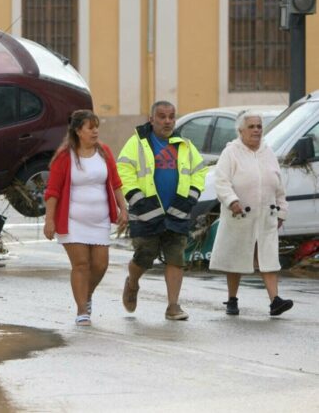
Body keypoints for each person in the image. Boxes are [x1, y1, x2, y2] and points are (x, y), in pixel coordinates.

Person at [117, 101, 208, 320]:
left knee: (176, 257)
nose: (167, 121)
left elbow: (199, 170)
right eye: (162, 116)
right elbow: (124, 170)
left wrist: (192, 196)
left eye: (171, 117)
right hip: (145, 212)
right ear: (152, 119)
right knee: (144, 256)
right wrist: (137, 199)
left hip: (177, 211)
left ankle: (173, 306)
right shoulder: (136, 143)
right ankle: (132, 282)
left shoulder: (184, 145)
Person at [44, 110, 128, 326]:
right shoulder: (64, 157)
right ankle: (82, 309)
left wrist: (123, 209)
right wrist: (50, 220)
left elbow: (116, 184)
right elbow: (52, 191)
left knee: (100, 265)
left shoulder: (105, 152)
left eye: (96, 126)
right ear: (78, 131)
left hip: (99, 221)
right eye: (90, 127)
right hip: (73, 221)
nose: (95, 131)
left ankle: (86, 294)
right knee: (81, 264)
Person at [209, 110, 293, 316]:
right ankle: (232, 299)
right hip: (240, 216)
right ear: (240, 131)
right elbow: (221, 181)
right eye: (251, 127)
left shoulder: (268, 152)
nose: (256, 130)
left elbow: (278, 185)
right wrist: (232, 200)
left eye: (259, 127)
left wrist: (282, 210)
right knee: (237, 257)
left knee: (268, 257)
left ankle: (275, 301)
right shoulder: (231, 153)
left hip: (266, 216)